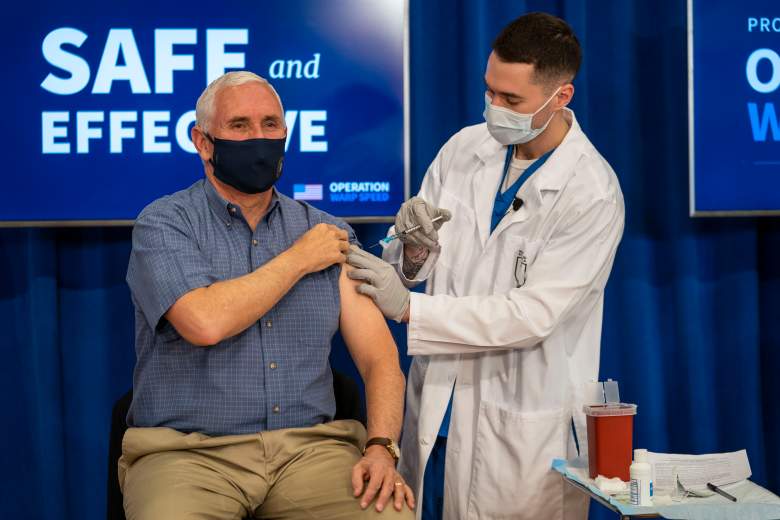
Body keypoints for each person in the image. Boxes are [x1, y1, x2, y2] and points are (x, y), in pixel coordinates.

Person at [346, 13, 625, 520]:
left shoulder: (592, 193)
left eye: (511, 100)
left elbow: (531, 314)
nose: (494, 108)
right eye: (489, 91)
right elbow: (415, 263)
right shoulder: (464, 149)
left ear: (561, 97)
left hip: (519, 424)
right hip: (438, 408)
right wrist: (411, 252)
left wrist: (411, 308)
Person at [121, 70, 415, 520]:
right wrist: (298, 259)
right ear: (203, 143)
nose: (259, 138)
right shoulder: (165, 223)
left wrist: (381, 449)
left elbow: (380, 360)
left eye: (270, 125)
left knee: (388, 514)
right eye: (239, 126)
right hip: (188, 455)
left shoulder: (329, 232)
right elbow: (204, 323)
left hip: (310, 452)